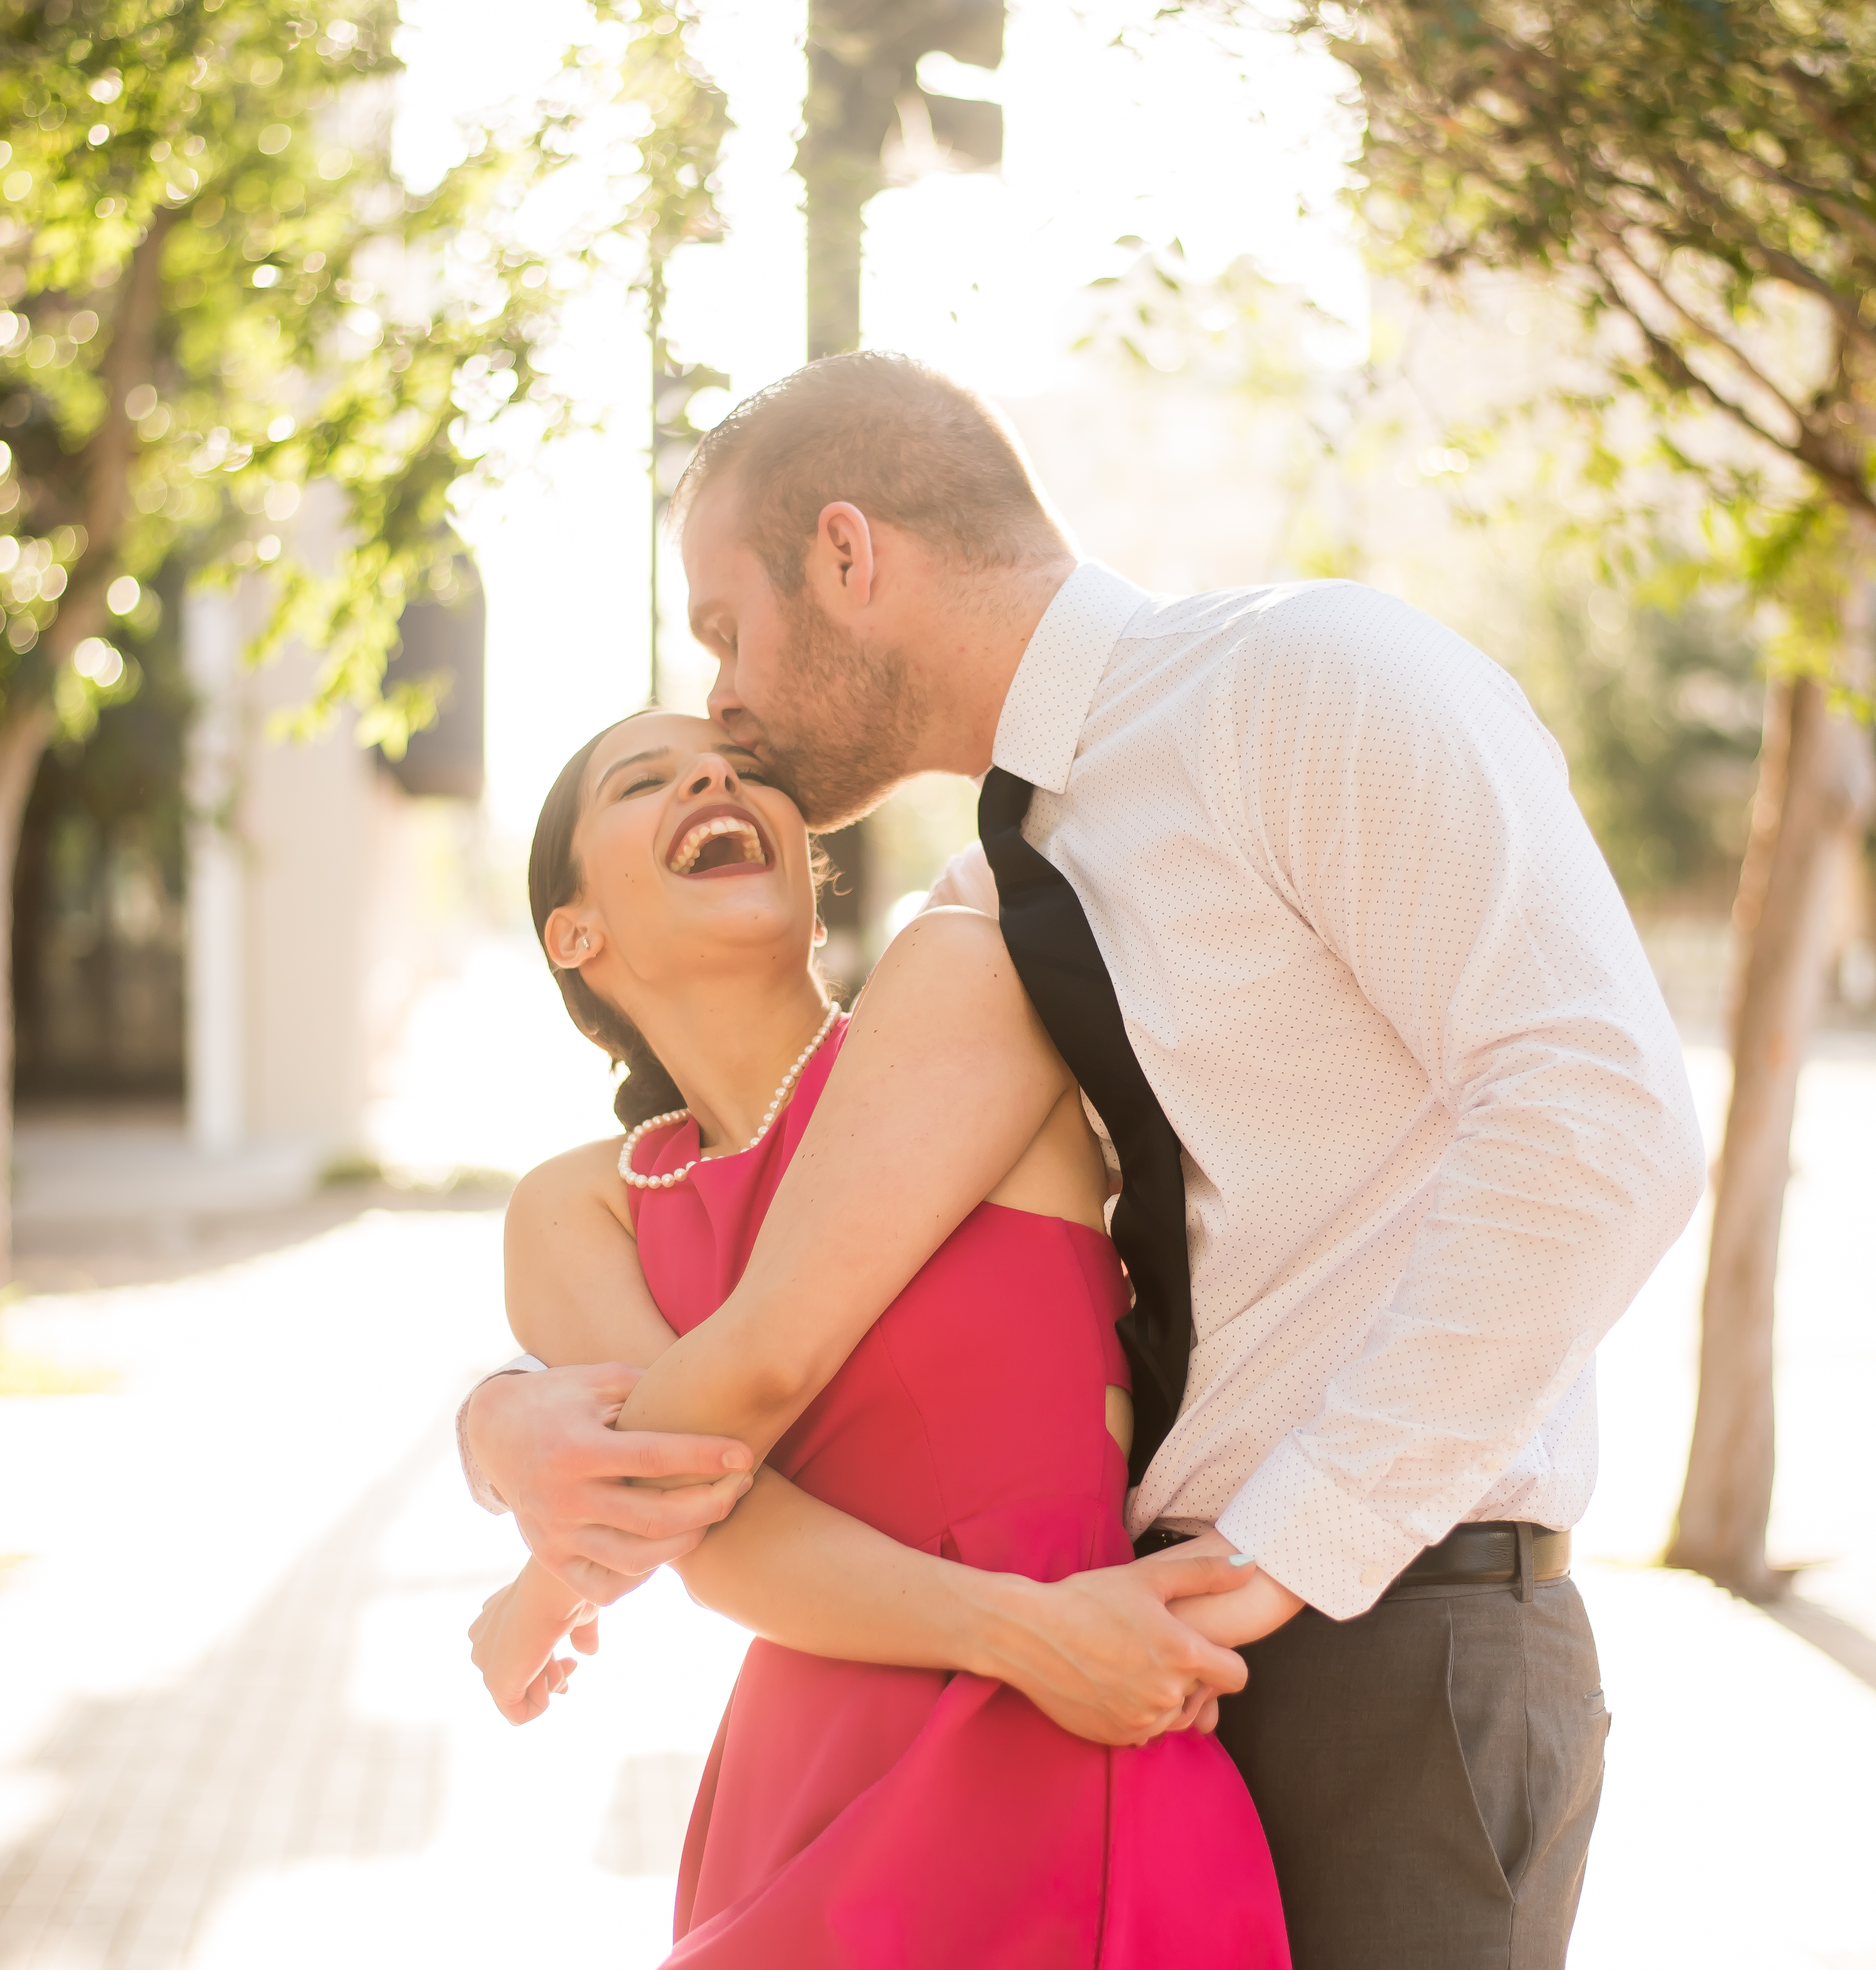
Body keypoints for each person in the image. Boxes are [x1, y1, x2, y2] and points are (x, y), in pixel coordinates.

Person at [463, 352, 1706, 1968]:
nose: (720, 702)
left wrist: (1281, 1550)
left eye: (724, 626)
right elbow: (794, 1282)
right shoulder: (1014, 881)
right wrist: (500, 1426)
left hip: (1389, 1630)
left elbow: (1597, 1108)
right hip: (1151, 1659)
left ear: (848, 556)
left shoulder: (1302, 679)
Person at [466, 708, 1291, 1965]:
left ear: (812, 871)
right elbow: (711, 1526)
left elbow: (729, 1399)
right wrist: (1016, 1631)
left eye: (747, 770)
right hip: (842, 1750)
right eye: (649, 779)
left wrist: (553, 1565)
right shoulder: (577, 1207)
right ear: (574, 934)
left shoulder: (968, 1000)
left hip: (1081, 1716)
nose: (711, 773)